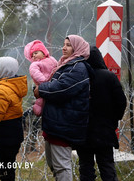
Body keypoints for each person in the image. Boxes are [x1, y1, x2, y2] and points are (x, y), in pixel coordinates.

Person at [34, 35, 91, 181]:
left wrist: (41, 89)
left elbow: (60, 89)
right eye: (64, 44)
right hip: (56, 123)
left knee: (62, 167)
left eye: (68, 45)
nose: (64, 48)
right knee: (54, 165)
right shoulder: (65, 64)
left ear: (77, 48)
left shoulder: (77, 68)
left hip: (64, 124)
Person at [75, 46, 127, 181]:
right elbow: (121, 101)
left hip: (83, 130)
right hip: (105, 129)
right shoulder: (109, 76)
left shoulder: (80, 77)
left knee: (86, 167)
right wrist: (114, 119)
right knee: (107, 166)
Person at [24, 40, 58, 116]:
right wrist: (44, 82)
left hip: (54, 83)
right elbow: (36, 74)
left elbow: (57, 66)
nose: (34, 56)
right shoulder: (35, 64)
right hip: (43, 85)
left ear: (43, 52)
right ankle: (38, 110)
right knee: (40, 100)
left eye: (36, 53)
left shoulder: (51, 59)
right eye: (32, 55)